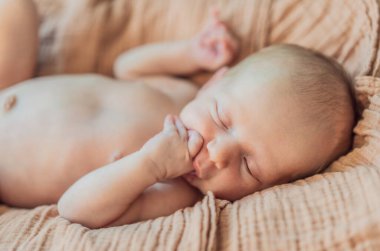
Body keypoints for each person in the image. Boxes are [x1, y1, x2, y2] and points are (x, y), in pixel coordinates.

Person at [0, 0, 355, 229]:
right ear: (214, 82)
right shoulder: (182, 92)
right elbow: (127, 68)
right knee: (18, 8)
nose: (218, 153)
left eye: (248, 166)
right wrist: (188, 54)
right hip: (10, 84)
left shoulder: (176, 190)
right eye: (221, 117)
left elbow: (75, 208)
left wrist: (147, 166)